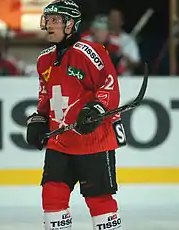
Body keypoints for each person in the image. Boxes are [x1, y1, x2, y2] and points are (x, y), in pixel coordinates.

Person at [26, 1, 126, 230]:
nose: (49, 25)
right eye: (47, 20)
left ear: (70, 24)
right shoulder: (44, 59)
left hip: (94, 141)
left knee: (99, 199)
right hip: (60, 141)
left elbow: (109, 84)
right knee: (52, 195)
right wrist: (40, 118)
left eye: (55, 21)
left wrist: (97, 108)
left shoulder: (91, 52)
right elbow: (46, 96)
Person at [108, 9, 141, 75]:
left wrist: (126, 61)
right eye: (112, 18)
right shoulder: (102, 38)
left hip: (125, 80)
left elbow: (136, 62)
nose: (114, 21)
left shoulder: (129, 40)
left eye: (116, 18)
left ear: (122, 22)